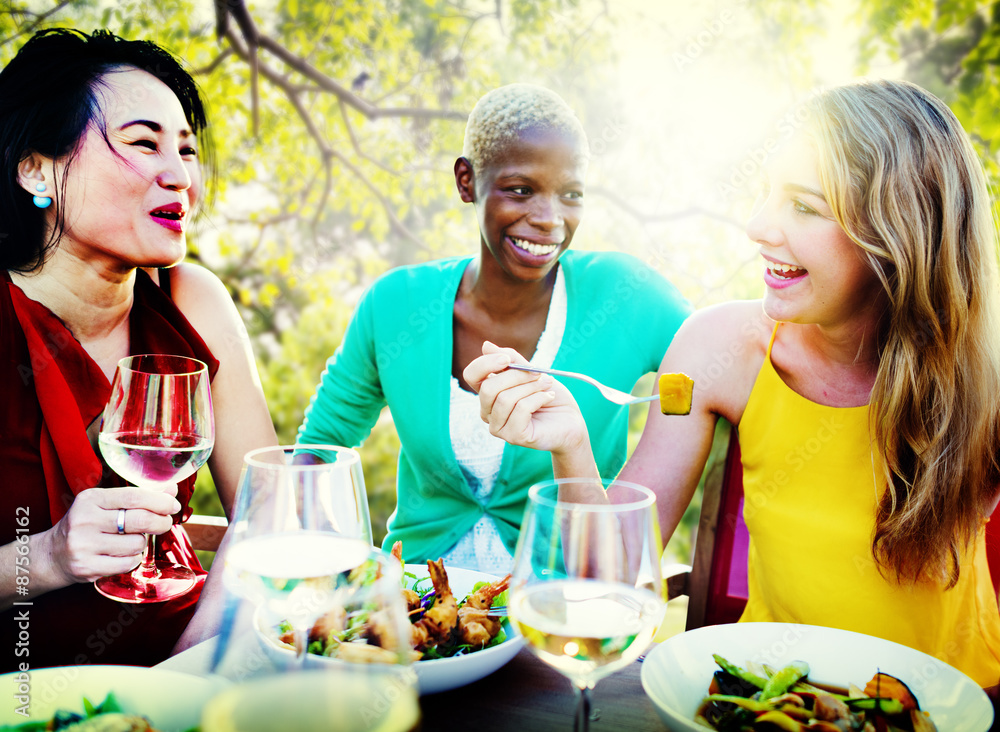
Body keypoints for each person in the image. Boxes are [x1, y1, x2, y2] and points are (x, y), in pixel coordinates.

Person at [466, 79, 1000, 688]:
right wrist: (570, 444)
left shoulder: (987, 375)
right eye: (765, 195)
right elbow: (608, 581)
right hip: (769, 699)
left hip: (951, 704)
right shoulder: (719, 347)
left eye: (804, 205)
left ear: (898, 232)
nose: (757, 226)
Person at [297, 83, 691, 574]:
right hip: (417, 609)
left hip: (558, 617)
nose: (549, 220)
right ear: (467, 181)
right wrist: (328, 576)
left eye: (570, 195)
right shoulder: (396, 305)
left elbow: (721, 363)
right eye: (521, 190)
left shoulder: (625, 296)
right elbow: (318, 451)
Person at [0, 28, 277, 670]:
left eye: (185, 150)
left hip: (189, 665)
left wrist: (185, 670)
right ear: (37, 168)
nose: (180, 176)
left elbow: (267, 513)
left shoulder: (192, 298)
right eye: (144, 144)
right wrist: (47, 556)